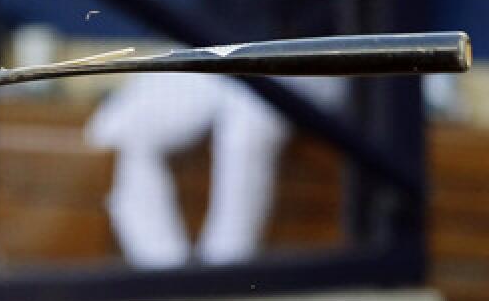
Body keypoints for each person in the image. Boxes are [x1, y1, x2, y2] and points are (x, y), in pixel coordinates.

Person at [88, 72, 346, 268]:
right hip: (217, 56)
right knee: (116, 126)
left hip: (301, 63)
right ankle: (163, 269)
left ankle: (224, 268)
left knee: (249, 124)